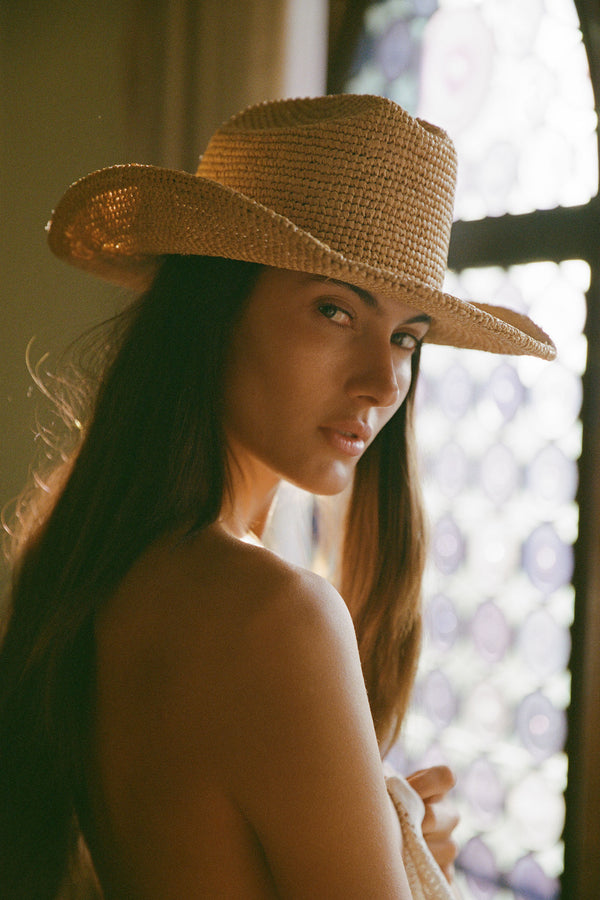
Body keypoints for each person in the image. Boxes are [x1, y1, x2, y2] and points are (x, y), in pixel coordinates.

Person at [0, 93, 555, 900]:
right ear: (213, 308)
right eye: (335, 309)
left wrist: (381, 831)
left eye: (407, 337)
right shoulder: (278, 617)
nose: (382, 381)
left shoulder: (89, 556)